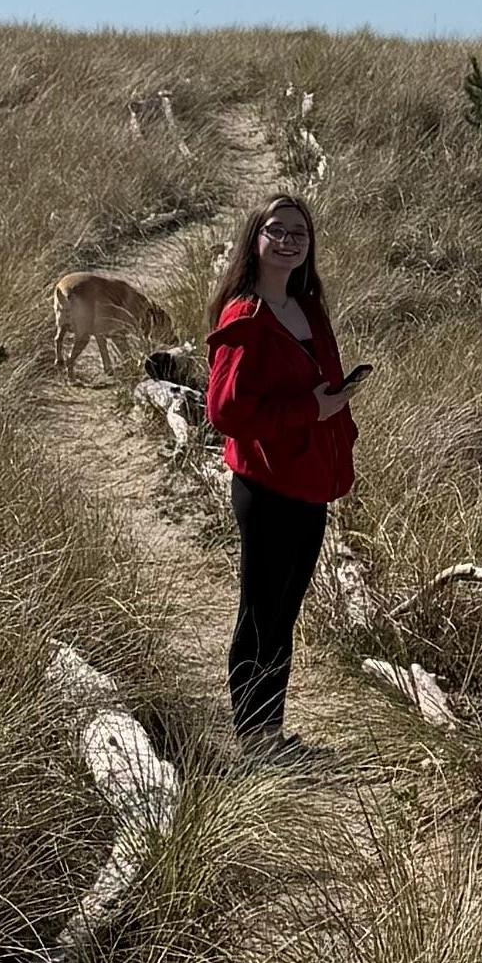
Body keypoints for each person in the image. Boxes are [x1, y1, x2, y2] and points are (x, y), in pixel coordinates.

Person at [205, 186, 357, 747]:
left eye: (300, 233)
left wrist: (332, 410)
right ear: (256, 240)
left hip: (309, 479)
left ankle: (271, 729)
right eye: (278, 231)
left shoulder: (308, 307)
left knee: (285, 611)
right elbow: (225, 411)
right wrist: (311, 409)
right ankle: (253, 738)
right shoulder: (246, 315)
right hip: (266, 483)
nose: (290, 241)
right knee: (261, 611)